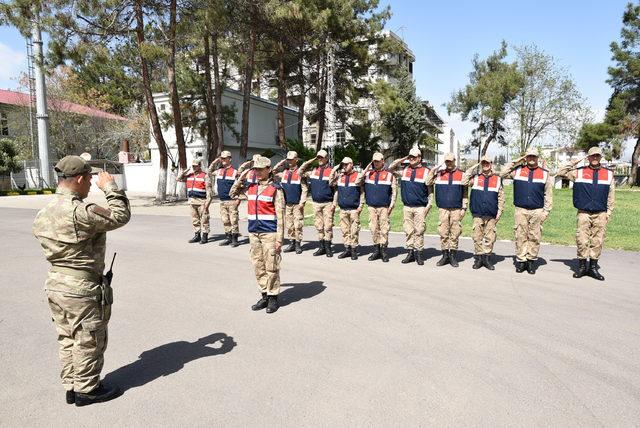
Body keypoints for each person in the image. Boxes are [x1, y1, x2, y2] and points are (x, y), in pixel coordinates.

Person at [33, 155, 131, 406]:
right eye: (89, 179)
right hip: (81, 288)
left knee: (67, 336)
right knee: (88, 338)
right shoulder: (81, 211)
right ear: (78, 179)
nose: (91, 184)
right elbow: (120, 216)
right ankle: (87, 389)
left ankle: (71, 385)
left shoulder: (44, 211)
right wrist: (109, 187)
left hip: (56, 283)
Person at [230, 156, 285, 313]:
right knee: (258, 265)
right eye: (256, 169)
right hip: (254, 233)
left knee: (271, 266)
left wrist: (279, 240)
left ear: (268, 170)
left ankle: (273, 297)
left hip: (269, 233)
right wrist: (243, 173)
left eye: (261, 169)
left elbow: (281, 216)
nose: (258, 172)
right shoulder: (250, 188)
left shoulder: (276, 189)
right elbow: (232, 193)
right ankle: (264, 295)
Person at [556, 146, 615, 280]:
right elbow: (560, 171)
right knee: (582, 240)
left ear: (600, 157)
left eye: (597, 156)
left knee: (597, 241)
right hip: (583, 212)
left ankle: (593, 268)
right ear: (588, 157)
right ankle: (582, 267)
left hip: (601, 213)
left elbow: (611, 196)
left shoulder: (609, 174)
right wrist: (576, 161)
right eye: (592, 156)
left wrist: (608, 213)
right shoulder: (578, 172)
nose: (595, 158)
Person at [501, 148, 553, 274]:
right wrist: (517, 160)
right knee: (520, 235)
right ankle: (521, 261)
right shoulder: (518, 171)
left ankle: (530, 262)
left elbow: (548, 194)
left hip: (537, 210)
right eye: (529, 156)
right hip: (521, 209)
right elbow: (502, 173)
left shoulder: (545, 173)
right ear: (526, 157)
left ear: (537, 158)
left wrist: (546, 211)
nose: (531, 159)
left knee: (534, 236)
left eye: (534, 157)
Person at [388, 147, 433, 265]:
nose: (412, 159)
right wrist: (403, 159)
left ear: (419, 158)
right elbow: (391, 168)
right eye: (410, 157)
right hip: (407, 206)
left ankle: (418, 253)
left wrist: (429, 205)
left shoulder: (426, 171)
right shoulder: (405, 170)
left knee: (419, 230)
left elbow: (430, 191)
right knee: (408, 230)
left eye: (414, 157)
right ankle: (410, 252)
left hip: (420, 207)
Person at [462, 156, 505, 270]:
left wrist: (499, 213)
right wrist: (475, 166)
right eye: (483, 163)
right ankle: (479, 258)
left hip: (491, 214)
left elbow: (501, 198)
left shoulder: (497, 179)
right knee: (477, 237)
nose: (485, 165)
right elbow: (464, 180)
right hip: (477, 213)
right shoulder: (475, 178)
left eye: (487, 163)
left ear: (491, 164)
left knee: (490, 238)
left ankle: (487, 259)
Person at [426, 152, 468, 267]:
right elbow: (427, 182)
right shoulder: (439, 174)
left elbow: (465, 192)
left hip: (456, 208)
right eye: (447, 161)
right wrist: (433, 170)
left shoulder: (461, 174)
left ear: (455, 161)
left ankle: (453, 256)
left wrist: (464, 207)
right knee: (443, 232)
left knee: (455, 233)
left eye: (451, 161)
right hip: (443, 208)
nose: (449, 163)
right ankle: (445, 256)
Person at [300, 150, 335, 257]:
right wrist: (312, 160)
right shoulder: (313, 171)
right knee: (319, 226)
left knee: (328, 226)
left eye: (322, 157)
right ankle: (321, 247)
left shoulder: (332, 171)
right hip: (316, 203)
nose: (320, 159)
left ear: (327, 159)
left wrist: (334, 203)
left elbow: (336, 188)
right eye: (318, 157)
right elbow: (300, 172)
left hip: (328, 203)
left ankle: (328, 248)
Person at [363, 152, 397, 262]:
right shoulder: (368, 174)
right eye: (374, 161)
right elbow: (358, 181)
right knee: (373, 229)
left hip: (384, 207)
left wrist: (391, 205)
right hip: (371, 206)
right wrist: (366, 169)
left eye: (378, 161)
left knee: (384, 229)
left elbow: (394, 192)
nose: (376, 163)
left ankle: (383, 251)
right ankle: (376, 250)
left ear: (383, 161)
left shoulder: (389, 175)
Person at [329, 157, 365, 260]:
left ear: (351, 164)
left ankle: (353, 250)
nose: (344, 166)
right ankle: (347, 249)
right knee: (345, 230)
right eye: (343, 165)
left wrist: (361, 206)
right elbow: (331, 183)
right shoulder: (340, 176)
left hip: (354, 208)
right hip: (343, 208)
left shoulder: (357, 176)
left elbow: (362, 192)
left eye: (346, 164)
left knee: (354, 230)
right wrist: (336, 168)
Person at [273, 151, 308, 254]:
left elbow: (305, 189)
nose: (289, 161)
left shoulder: (300, 173)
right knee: (289, 225)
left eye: (291, 159)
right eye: (288, 160)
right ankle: (292, 243)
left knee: (298, 225)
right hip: (287, 203)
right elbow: (273, 171)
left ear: (296, 159)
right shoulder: (284, 172)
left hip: (297, 203)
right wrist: (281, 162)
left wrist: (302, 202)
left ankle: (298, 244)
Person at [208, 151, 241, 247]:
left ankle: (235, 239)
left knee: (233, 220)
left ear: (229, 159)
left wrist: (238, 198)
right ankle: (228, 238)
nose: (223, 160)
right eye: (221, 158)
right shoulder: (219, 171)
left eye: (225, 158)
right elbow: (209, 171)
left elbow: (239, 186)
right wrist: (215, 161)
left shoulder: (235, 172)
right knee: (225, 220)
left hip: (232, 201)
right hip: (222, 201)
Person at [177, 158, 213, 244]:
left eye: (196, 166)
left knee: (204, 219)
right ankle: (197, 235)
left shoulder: (205, 175)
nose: (194, 167)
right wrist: (184, 172)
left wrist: (208, 202)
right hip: (192, 201)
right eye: (193, 166)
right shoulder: (190, 176)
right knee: (195, 219)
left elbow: (209, 191)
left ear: (199, 166)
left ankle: (205, 236)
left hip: (202, 201)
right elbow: (178, 179)